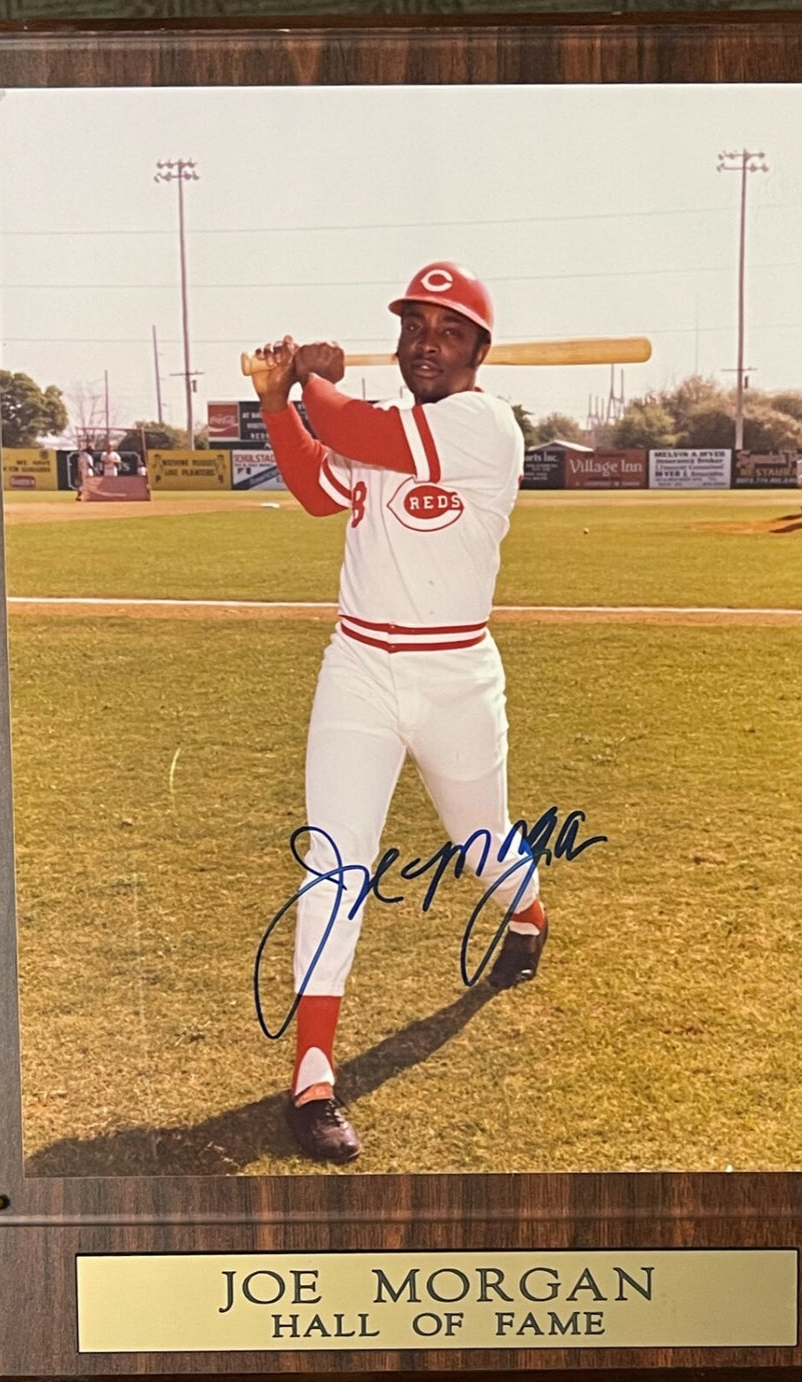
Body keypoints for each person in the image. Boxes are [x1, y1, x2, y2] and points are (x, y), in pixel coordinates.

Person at [250, 262, 549, 1163]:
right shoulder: (390, 432)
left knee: (482, 843)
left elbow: (345, 422)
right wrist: (279, 401)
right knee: (335, 862)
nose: (426, 342)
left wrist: (311, 379)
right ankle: (311, 1072)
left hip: (456, 674)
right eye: (414, 327)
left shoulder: (484, 425)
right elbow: (317, 487)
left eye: (447, 330)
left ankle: (529, 912)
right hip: (359, 671)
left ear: (478, 352)